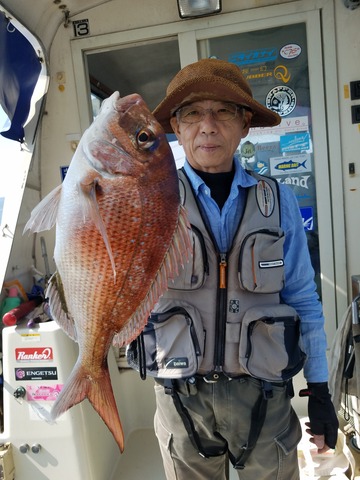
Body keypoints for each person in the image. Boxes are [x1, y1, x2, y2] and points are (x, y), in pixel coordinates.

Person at [129, 58, 339, 480]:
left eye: (223, 110)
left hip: (265, 399)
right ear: (177, 126)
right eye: (192, 113)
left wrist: (319, 389)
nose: (207, 125)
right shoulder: (147, 201)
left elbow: (302, 298)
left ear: (245, 124)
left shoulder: (277, 201)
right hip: (179, 398)